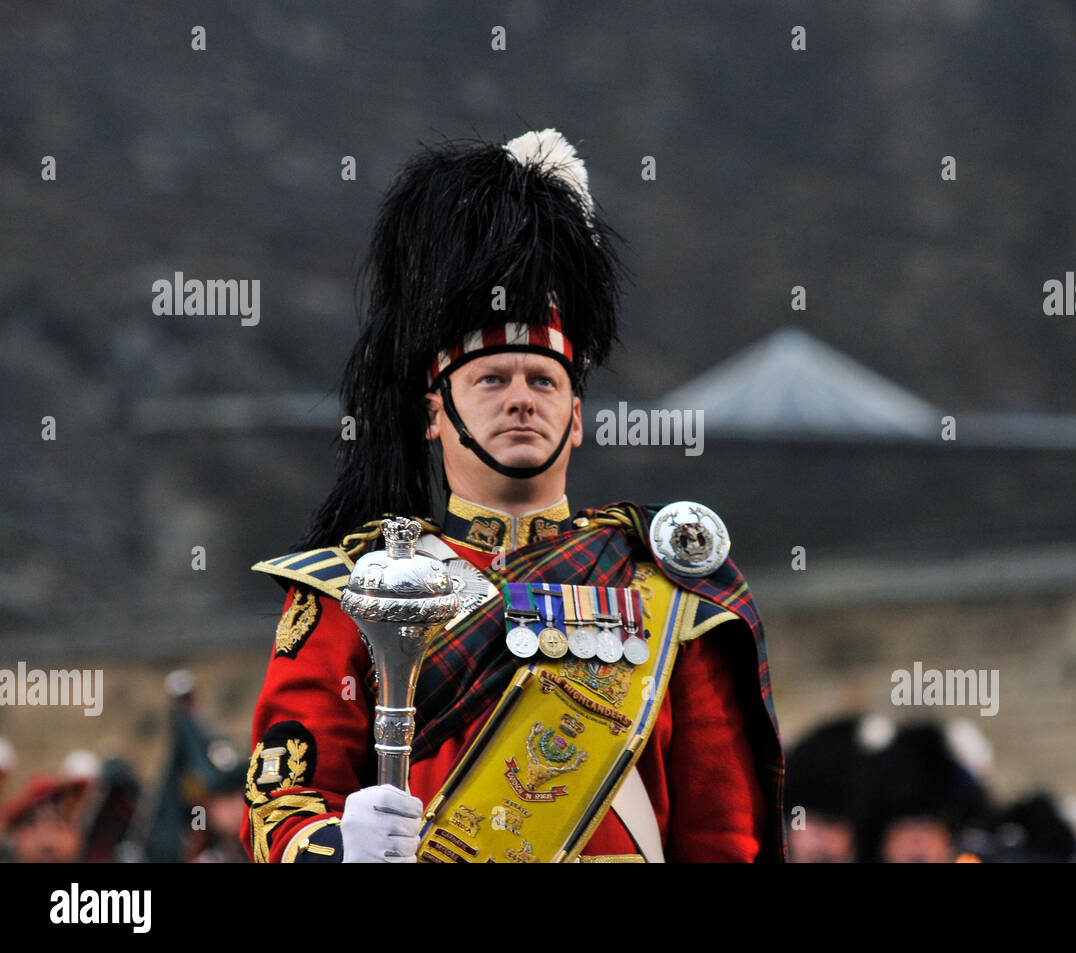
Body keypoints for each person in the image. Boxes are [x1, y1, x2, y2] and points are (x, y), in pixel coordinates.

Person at [241, 129, 784, 863]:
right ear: (435, 412)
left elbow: (724, 839)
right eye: (491, 380)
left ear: (577, 416)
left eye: (543, 381)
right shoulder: (355, 589)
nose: (521, 399)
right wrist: (341, 848)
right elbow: (279, 806)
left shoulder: (671, 593)